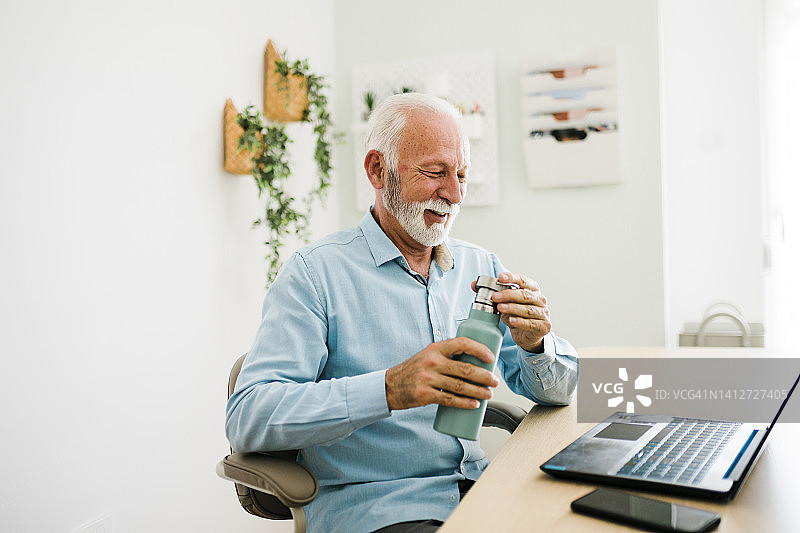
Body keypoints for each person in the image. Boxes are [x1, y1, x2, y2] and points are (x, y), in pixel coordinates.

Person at [225, 92, 579, 533]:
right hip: (382, 509)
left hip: (482, 492)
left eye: (462, 175)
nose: (454, 193)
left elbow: (561, 391)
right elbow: (248, 417)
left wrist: (537, 345)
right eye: (435, 173)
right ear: (377, 169)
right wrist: (390, 388)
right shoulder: (314, 275)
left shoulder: (480, 267)